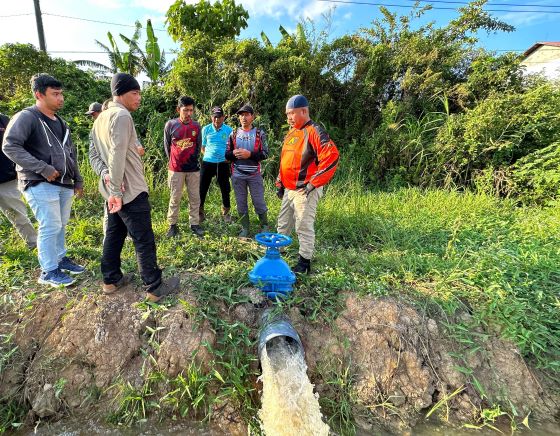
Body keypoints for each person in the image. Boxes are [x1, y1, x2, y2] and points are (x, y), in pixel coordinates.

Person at [91, 72, 179, 302]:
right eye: (135, 93)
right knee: (144, 238)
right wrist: (117, 191)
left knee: (115, 234)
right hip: (128, 190)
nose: (139, 97)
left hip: (113, 191)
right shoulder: (121, 116)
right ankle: (154, 286)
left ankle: (110, 280)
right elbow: (116, 153)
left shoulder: (101, 117)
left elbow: (94, 155)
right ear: (120, 93)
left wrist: (106, 177)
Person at [2, 73, 85, 287]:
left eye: (61, 94)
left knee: (61, 224)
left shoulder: (61, 123)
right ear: (39, 94)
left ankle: (60, 258)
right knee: (50, 225)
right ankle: (48, 271)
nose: (61, 98)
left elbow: (70, 153)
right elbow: (10, 146)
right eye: (55, 94)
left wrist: (78, 179)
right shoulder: (27, 117)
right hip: (39, 182)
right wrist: (43, 168)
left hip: (64, 182)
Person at [276, 95, 339, 274]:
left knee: (303, 225)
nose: (288, 117)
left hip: (305, 189)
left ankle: (304, 263)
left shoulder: (314, 131)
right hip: (289, 189)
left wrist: (312, 184)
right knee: (283, 223)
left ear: (303, 111)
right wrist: (280, 182)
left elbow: (332, 156)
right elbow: (285, 161)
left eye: (291, 113)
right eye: (287, 114)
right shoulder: (291, 132)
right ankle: (277, 253)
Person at [225, 104, 269, 237]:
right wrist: (234, 153)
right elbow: (226, 155)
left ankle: (264, 226)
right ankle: (245, 228)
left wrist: (249, 154)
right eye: (241, 115)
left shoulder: (259, 134)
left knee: (258, 201)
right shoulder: (233, 134)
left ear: (253, 116)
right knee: (241, 202)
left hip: (254, 174)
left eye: (246, 114)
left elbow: (265, 154)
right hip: (237, 175)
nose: (243, 117)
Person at [163, 96, 203, 237]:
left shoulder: (196, 126)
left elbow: (198, 146)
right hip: (175, 169)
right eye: (185, 110)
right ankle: (172, 225)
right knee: (175, 198)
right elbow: (167, 146)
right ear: (178, 109)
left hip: (193, 169)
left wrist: (193, 160)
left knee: (195, 198)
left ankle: (194, 224)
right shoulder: (170, 125)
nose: (188, 113)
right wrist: (174, 161)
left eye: (191, 110)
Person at [0, 113, 37, 250]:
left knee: (18, 214)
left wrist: (17, 169)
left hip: (5, 178)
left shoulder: (3, 120)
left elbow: (17, 146)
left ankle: (34, 244)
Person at [199, 106, 234, 224]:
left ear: (223, 117)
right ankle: (200, 212)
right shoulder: (206, 129)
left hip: (223, 163)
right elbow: (203, 147)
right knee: (202, 188)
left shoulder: (229, 130)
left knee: (225, 188)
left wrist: (228, 159)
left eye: (219, 117)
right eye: (214, 117)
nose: (217, 120)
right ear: (211, 117)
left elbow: (232, 147)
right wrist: (209, 155)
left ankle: (226, 212)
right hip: (208, 162)